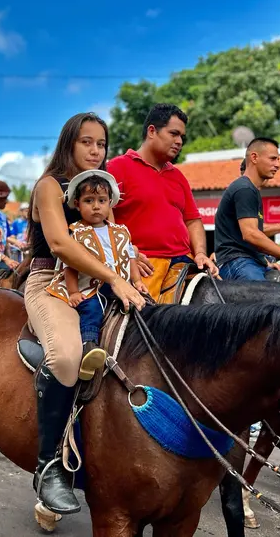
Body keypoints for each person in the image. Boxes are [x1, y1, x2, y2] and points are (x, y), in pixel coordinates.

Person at [25, 112, 145, 515]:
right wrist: (114, 278)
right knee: (67, 357)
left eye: (101, 144)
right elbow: (59, 243)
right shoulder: (49, 187)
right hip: (53, 284)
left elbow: (112, 237)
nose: (95, 151)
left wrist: (134, 260)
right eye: (86, 142)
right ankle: (48, 467)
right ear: (69, 144)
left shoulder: (101, 191)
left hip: (104, 282)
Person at [107, 103, 218, 301]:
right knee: (148, 324)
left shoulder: (178, 176)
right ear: (152, 131)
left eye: (182, 137)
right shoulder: (116, 168)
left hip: (185, 264)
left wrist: (201, 253)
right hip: (145, 265)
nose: (179, 141)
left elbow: (193, 221)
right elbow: (101, 220)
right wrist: (127, 255)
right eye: (173, 133)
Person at [45, 171, 146, 368]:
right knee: (92, 310)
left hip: (120, 286)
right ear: (77, 204)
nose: (96, 206)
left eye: (101, 200)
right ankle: (89, 346)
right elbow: (70, 265)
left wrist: (138, 281)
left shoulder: (121, 231)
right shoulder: (76, 232)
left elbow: (130, 257)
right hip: (90, 287)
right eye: (89, 200)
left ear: (110, 203)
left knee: (143, 304)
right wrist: (73, 292)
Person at [215, 137, 280, 281]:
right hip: (236, 261)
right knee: (264, 300)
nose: (278, 165)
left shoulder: (251, 190)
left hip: (249, 259)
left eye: (278, 160)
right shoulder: (244, 189)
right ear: (254, 157)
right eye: (273, 159)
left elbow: (256, 230)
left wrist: (264, 261)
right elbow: (251, 234)